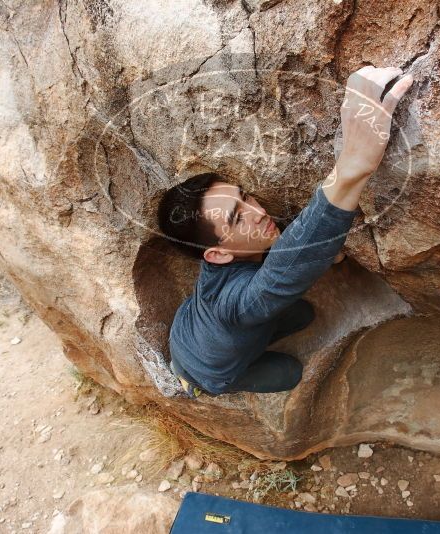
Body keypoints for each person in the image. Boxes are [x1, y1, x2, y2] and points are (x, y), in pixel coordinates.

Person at [157, 66, 414, 398]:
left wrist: (321, 244)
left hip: (193, 330)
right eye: (237, 218)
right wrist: (353, 162)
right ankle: (199, 382)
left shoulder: (227, 264)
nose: (258, 211)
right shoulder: (236, 305)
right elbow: (281, 268)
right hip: (211, 370)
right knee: (289, 374)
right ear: (216, 254)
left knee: (300, 312)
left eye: (245, 197)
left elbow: (286, 256)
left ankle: (242, 339)